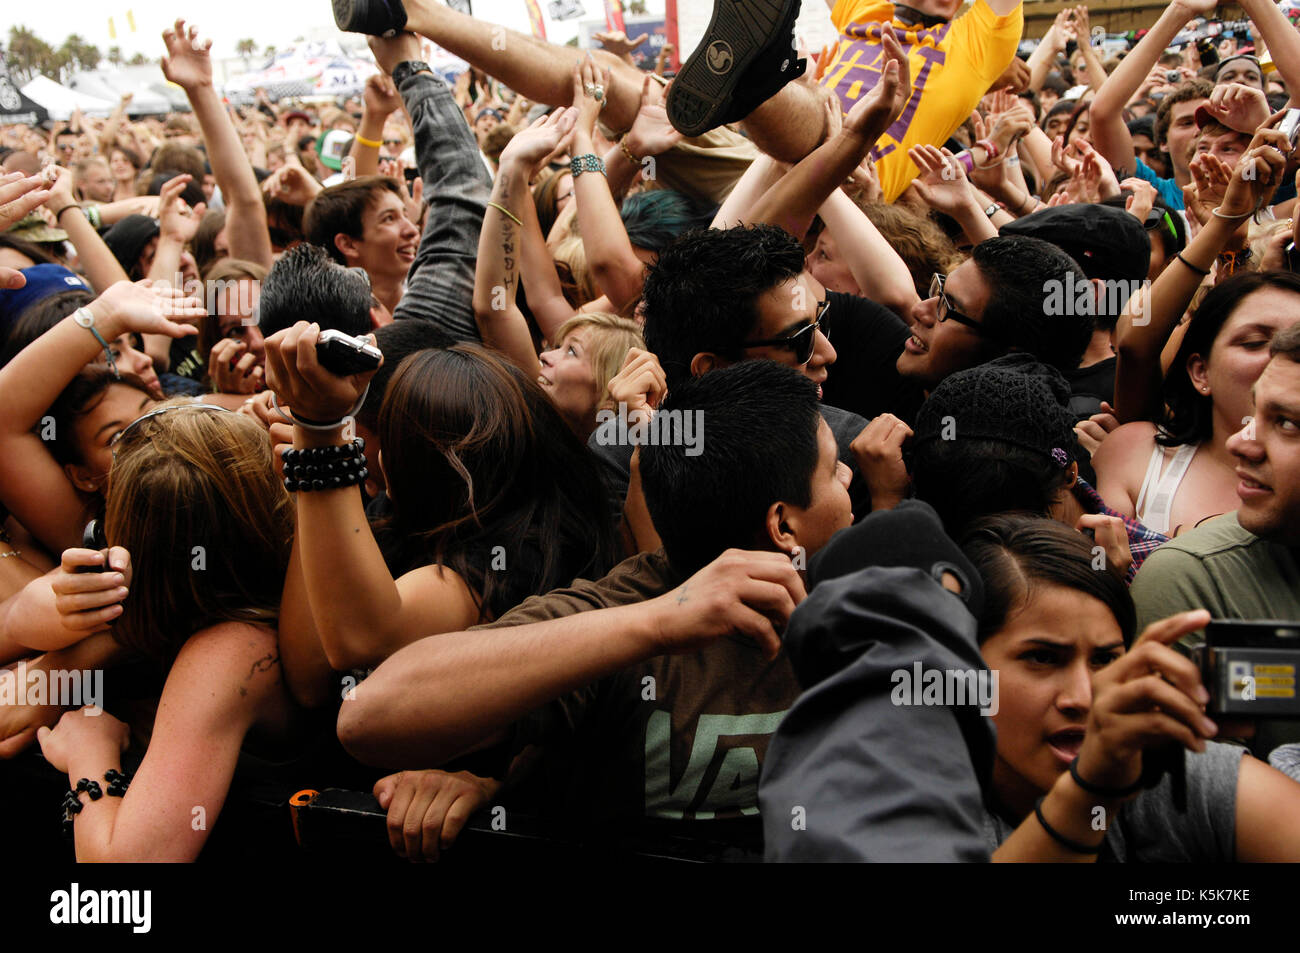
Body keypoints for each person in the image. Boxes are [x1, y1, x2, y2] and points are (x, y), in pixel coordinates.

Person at [336, 361, 850, 851]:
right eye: (833, 470)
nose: (850, 479)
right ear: (783, 526)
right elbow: (366, 719)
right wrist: (661, 620)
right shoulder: (626, 608)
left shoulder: (863, 603)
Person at [14, 402, 305, 861]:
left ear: (117, 533)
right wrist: (74, 651)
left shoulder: (231, 651)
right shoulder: (142, 624)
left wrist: (90, 752)